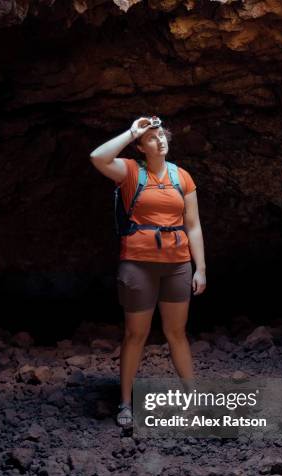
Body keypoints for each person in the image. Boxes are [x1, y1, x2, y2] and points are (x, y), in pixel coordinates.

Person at [89, 116, 206, 426]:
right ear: (141, 147)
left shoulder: (182, 177)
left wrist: (201, 268)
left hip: (177, 264)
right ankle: (125, 404)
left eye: (161, 135)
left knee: (177, 333)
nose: (160, 140)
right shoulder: (130, 172)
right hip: (138, 264)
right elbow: (97, 157)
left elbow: (193, 226)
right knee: (135, 334)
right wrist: (132, 132)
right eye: (152, 138)